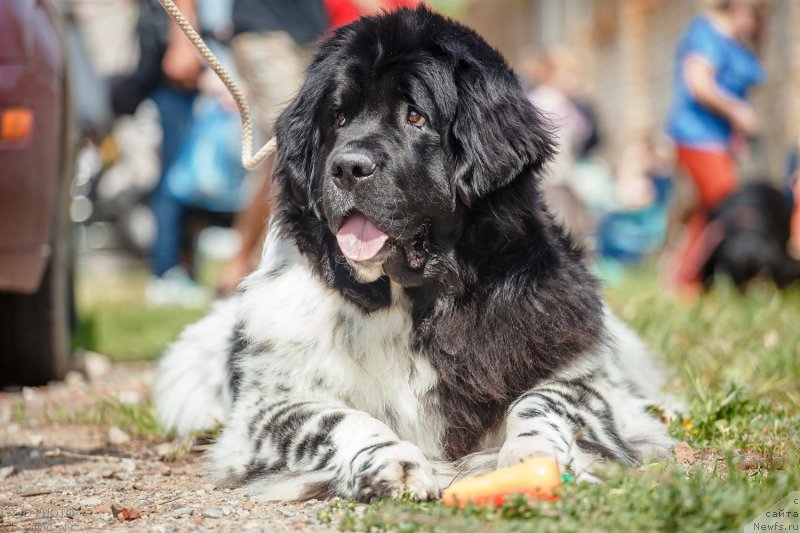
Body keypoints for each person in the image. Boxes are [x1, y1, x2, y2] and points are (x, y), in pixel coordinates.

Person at [664, 0, 766, 293]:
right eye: (755, 12)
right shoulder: (706, 33)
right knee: (726, 205)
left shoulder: (736, 41)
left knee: (709, 208)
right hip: (697, 135)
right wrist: (737, 111)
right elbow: (699, 84)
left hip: (719, 140)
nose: (758, 19)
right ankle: (687, 279)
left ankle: (687, 277)